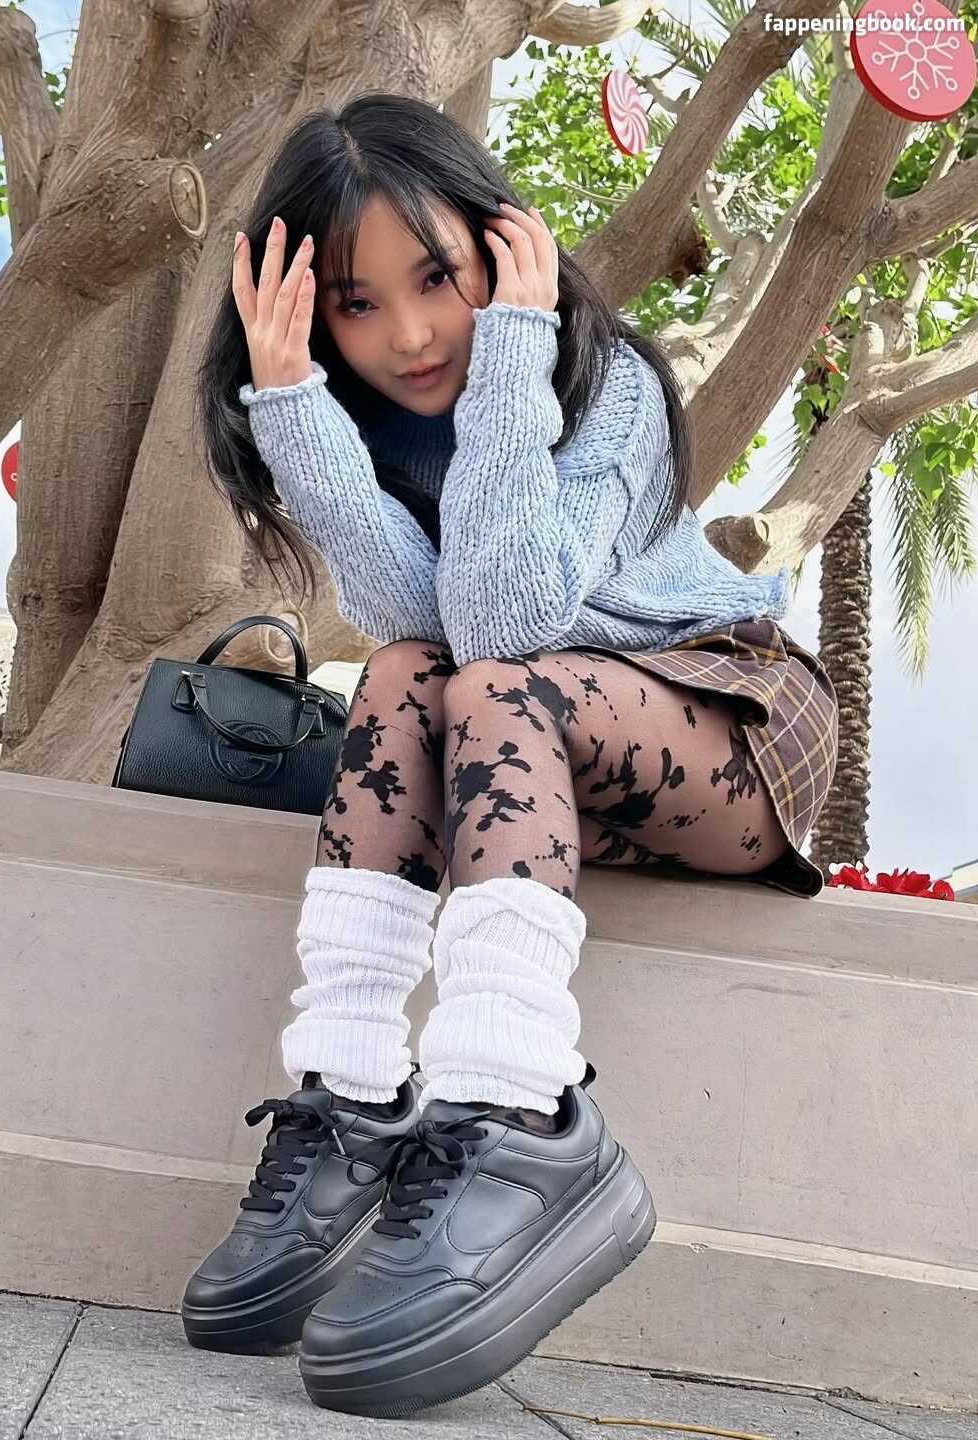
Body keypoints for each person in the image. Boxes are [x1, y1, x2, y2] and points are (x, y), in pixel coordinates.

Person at [184, 91, 839, 1416]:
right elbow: (417, 627)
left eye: (437, 278)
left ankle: (515, 1117)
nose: (411, 334)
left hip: (726, 721)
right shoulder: (353, 423)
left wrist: (512, 372)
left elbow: (504, 620)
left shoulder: (603, 388)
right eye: (356, 304)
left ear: (501, 245)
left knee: (486, 672)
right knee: (400, 670)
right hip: (537, 756)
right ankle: (350, 1097)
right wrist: (295, 408)